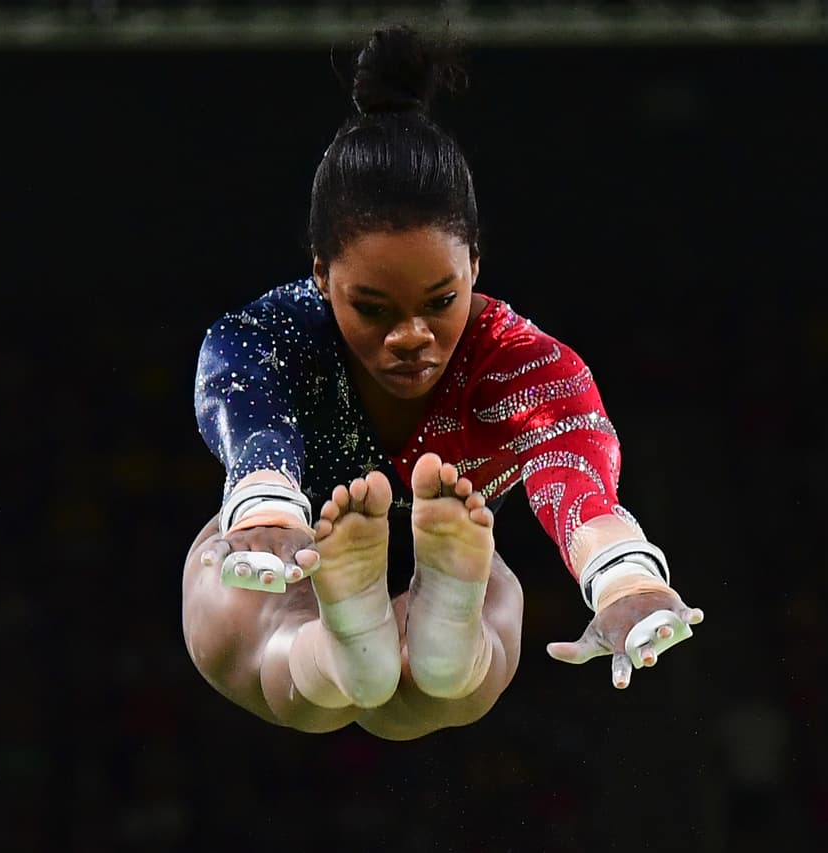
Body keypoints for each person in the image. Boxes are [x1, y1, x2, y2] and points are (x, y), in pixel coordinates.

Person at [182, 22, 705, 741]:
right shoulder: (273, 338)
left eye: (440, 301)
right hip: (297, 557)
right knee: (239, 605)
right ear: (321, 275)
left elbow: (578, 484)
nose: (411, 337)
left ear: (474, 266)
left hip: (443, 555)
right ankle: (348, 641)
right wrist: (264, 510)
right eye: (373, 308)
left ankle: (427, 622)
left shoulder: (525, 367)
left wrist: (626, 581)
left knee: (456, 667)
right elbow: (252, 419)